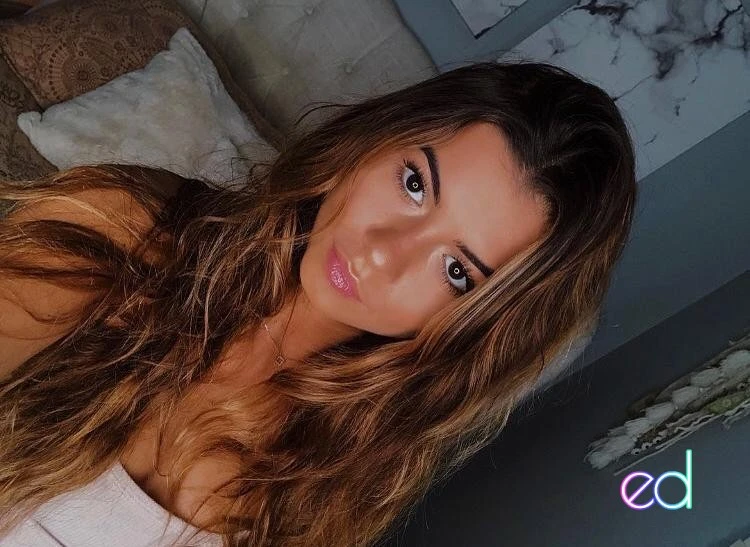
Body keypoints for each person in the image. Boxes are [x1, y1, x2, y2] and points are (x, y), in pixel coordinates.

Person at [0, 60, 637, 546]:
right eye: (414, 184)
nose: (384, 254)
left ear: (472, 329)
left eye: (456, 270)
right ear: (370, 145)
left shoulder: (335, 487)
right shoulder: (128, 230)